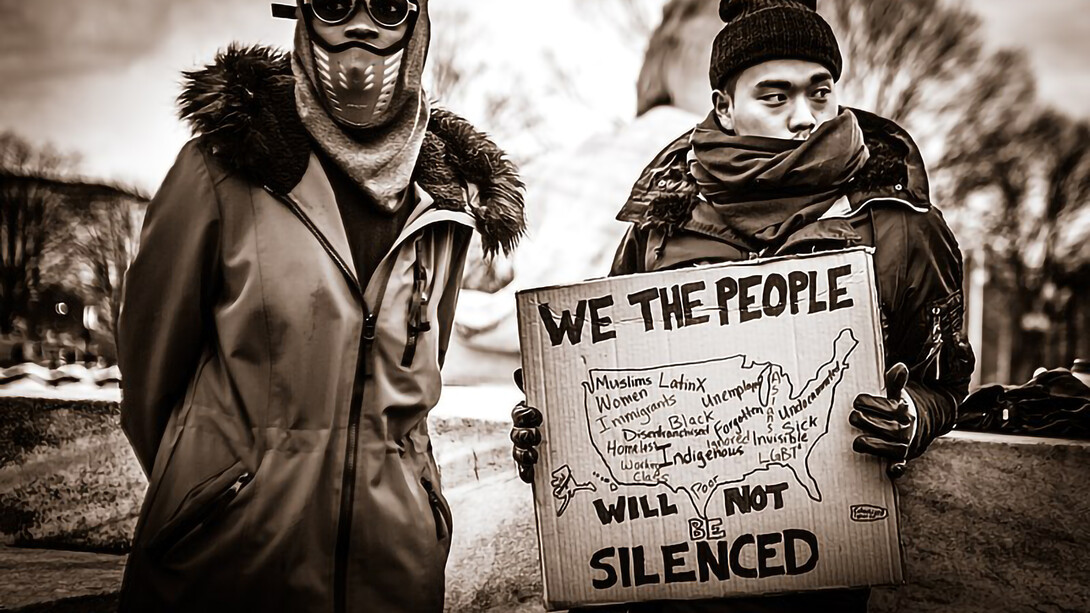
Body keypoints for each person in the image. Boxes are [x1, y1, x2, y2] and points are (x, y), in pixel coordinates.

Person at [510, 0, 975, 611]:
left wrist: (910, 416)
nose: (804, 118)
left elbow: (946, 382)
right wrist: (554, 427)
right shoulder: (661, 222)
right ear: (724, 106)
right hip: (660, 574)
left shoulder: (902, 225)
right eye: (774, 97)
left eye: (820, 92)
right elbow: (607, 378)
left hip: (817, 578)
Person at [116, 1, 524, 611]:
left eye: (388, 6)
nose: (360, 25)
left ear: (417, 26)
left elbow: (414, 387)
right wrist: (222, 495)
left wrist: (414, 505)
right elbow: (151, 381)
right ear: (303, 16)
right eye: (334, 3)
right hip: (226, 571)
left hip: (390, 575)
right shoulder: (220, 171)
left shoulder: (447, 206)